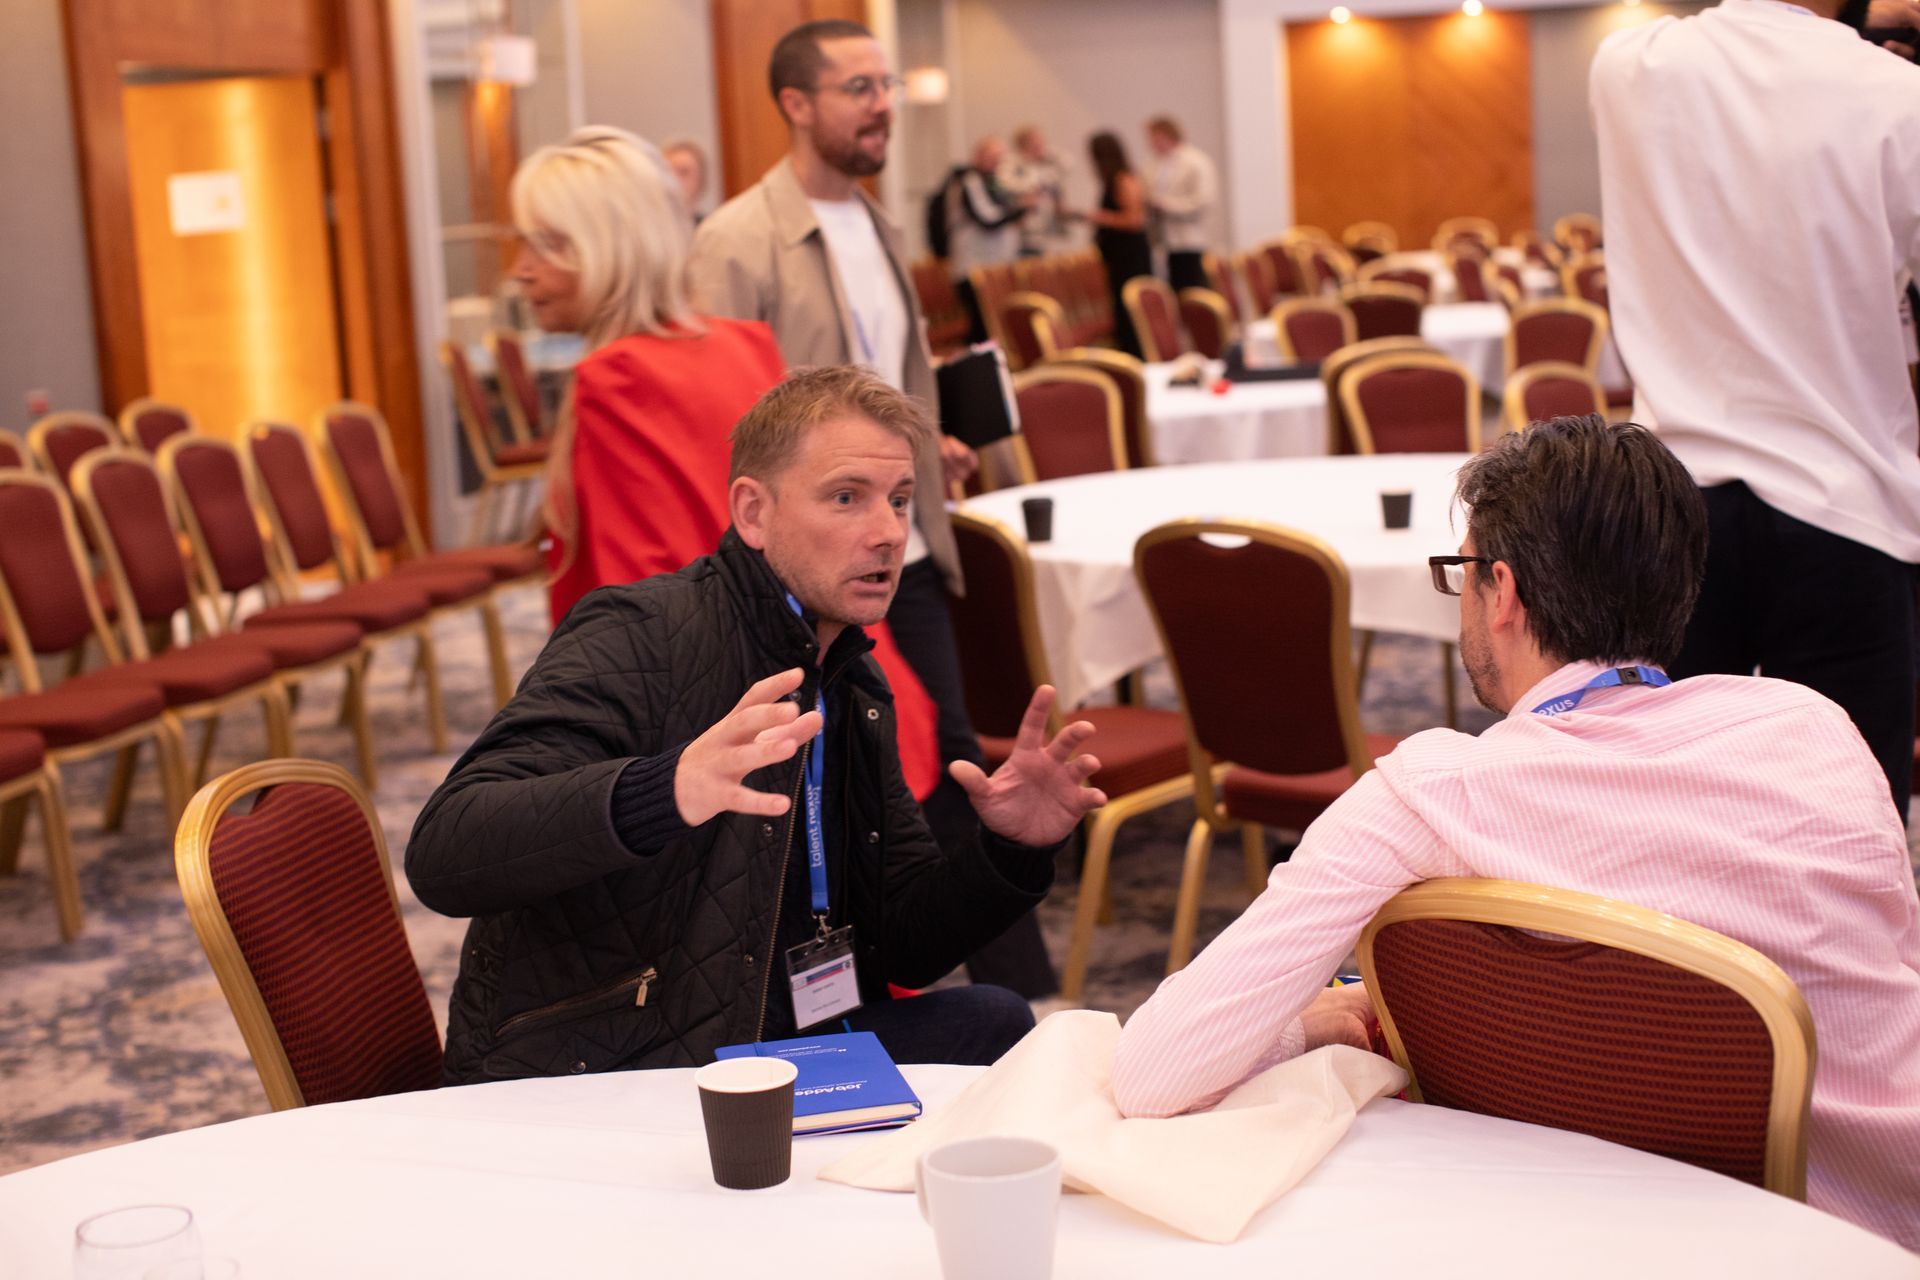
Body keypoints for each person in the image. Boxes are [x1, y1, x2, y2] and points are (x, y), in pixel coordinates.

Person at [1111, 416, 1920, 1251]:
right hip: (1872, 1238)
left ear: (1503, 591)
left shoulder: (1434, 793)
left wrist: (1317, 1020)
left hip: (1578, 1237)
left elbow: (1152, 1073)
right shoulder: (1817, 729)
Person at [409, 367, 1108, 1081]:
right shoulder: (643, 633)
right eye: (846, 498)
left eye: (899, 501)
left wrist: (1010, 852)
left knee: (998, 1022)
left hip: (767, 1042)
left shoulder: (850, 676)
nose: (889, 533)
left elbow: (905, 949)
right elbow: (445, 852)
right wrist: (665, 789)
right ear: (753, 513)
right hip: (623, 1063)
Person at [689, 18, 1059, 997]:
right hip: (805, 560)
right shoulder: (735, 241)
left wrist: (916, 442)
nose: (883, 104)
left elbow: (885, 382)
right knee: (898, 761)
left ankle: (1013, 991)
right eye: (859, 87)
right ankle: (997, 993)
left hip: (907, 540)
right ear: (797, 105)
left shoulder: (880, 226)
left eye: (886, 85)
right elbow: (728, 423)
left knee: (942, 743)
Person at [1591, 0, 1920, 818]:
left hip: (1672, 510)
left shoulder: (1628, 68)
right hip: (1848, 509)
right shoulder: (1898, 95)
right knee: (1849, 830)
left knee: (1677, 820)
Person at [507, 127, 784, 626]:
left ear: (610, 246)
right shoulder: (743, 344)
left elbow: (644, 595)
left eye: (547, 244)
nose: (521, 270)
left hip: (722, 682)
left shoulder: (618, 377)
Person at [945, 135, 1029, 343]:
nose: (998, 163)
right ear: (978, 156)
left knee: (998, 327)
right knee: (981, 330)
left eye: (1001, 157)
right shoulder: (970, 181)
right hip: (973, 267)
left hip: (996, 264)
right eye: (993, 157)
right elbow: (987, 218)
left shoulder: (997, 183)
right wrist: (1020, 208)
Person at [1080, 130, 1152, 359]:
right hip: (1118, 256)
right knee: (1121, 312)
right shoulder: (1114, 179)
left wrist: (1100, 217)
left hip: (1129, 256)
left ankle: (1136, 358)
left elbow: (1135, 219)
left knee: (1130, 310)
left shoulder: (1123, 179)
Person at [1144, 115, 1216, 294]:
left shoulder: (1195, 161)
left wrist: (1165, 205)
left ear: (1166, 135)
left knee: (1191, 290)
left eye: (1153, 137)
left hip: (1188, 238)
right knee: (1173, 290)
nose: (1151, 143)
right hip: (1165, 238)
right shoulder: (1157, 164)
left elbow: (1203, 201)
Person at [998, 125, 1066, 258]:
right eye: (1035, 142)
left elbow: (1066, 165)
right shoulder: (1012, 162)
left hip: (1044, 230)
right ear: (1023, 144)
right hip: (1021, 231)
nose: (1040, 145)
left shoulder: (1043, 163)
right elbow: (1006, 184)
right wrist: (1033, 186)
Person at [660, 138, 710, 223]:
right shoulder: (648, 227)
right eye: (668, 171)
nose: (674, 179)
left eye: (684, 172)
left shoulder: (708, 229)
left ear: (701, 181)